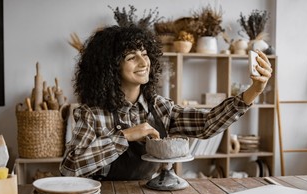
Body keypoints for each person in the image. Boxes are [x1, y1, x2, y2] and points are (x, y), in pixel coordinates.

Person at [60, 25, 272, 180]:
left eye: (145, 54)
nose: (144, 63)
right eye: (131, 57)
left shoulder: (159, 106)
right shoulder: (92, 113)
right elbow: (69, 167)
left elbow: (206, 124)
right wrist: (125, 135)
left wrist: (253, 91)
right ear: (110, 67)